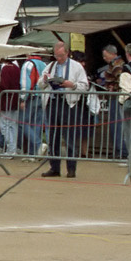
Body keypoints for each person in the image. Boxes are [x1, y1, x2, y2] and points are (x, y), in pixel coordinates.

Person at [41, 41, 88, 178]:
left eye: (61, 55)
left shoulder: (77, 67)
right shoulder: (50, 66)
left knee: (70, 137)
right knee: (53, 137)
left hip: (69, 104)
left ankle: (71, 168)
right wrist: (44, 80)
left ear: (67, 53)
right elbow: (40, 84)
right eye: (56, 55)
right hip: (53, 102)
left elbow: (84, 86)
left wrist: (71, 85)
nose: (58, 58)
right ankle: (54, 168)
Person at [0, 58, 22, 156]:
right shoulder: (16, 68)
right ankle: (13, 148)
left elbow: (4, 85)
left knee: (4, 125)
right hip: (14, 99)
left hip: (6, 100)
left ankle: (11, 149)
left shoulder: (6, 69)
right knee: (13, 125)